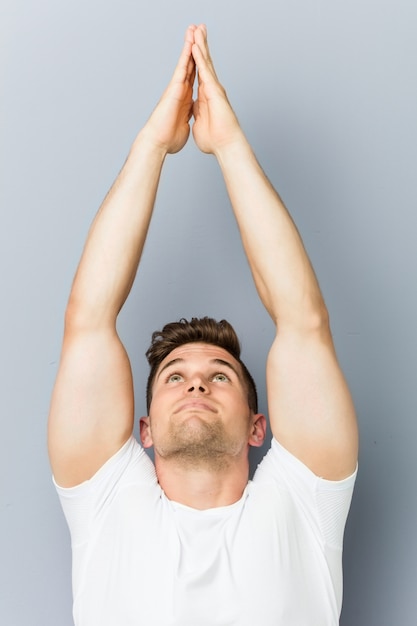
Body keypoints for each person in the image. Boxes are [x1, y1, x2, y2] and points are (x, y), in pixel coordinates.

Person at [48, 24, 358, 626]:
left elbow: (303, 321)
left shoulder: (305, 503)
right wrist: (151, 145)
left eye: (220, 377)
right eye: (175, 377)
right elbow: (87, 319)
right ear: (142, 429)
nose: (196, 384)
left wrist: (231, 146)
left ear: (258, 425)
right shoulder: (106, 503)